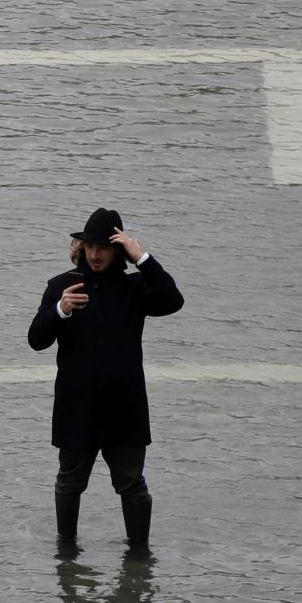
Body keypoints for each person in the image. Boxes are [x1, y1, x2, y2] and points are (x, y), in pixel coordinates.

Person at [27, 208, 184, 555]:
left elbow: (174, 301)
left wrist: (142, 256)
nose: (95, 254)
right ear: (80, 247)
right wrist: (60, 311)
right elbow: (36, 340)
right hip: (75, 406)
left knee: (132, 485)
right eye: (89, 247)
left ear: (117, 250)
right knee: (69, 483)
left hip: (123, 408)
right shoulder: (60, 287)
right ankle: (65, 554)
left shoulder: (135, 287)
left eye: (104, 247)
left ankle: (139, 555)